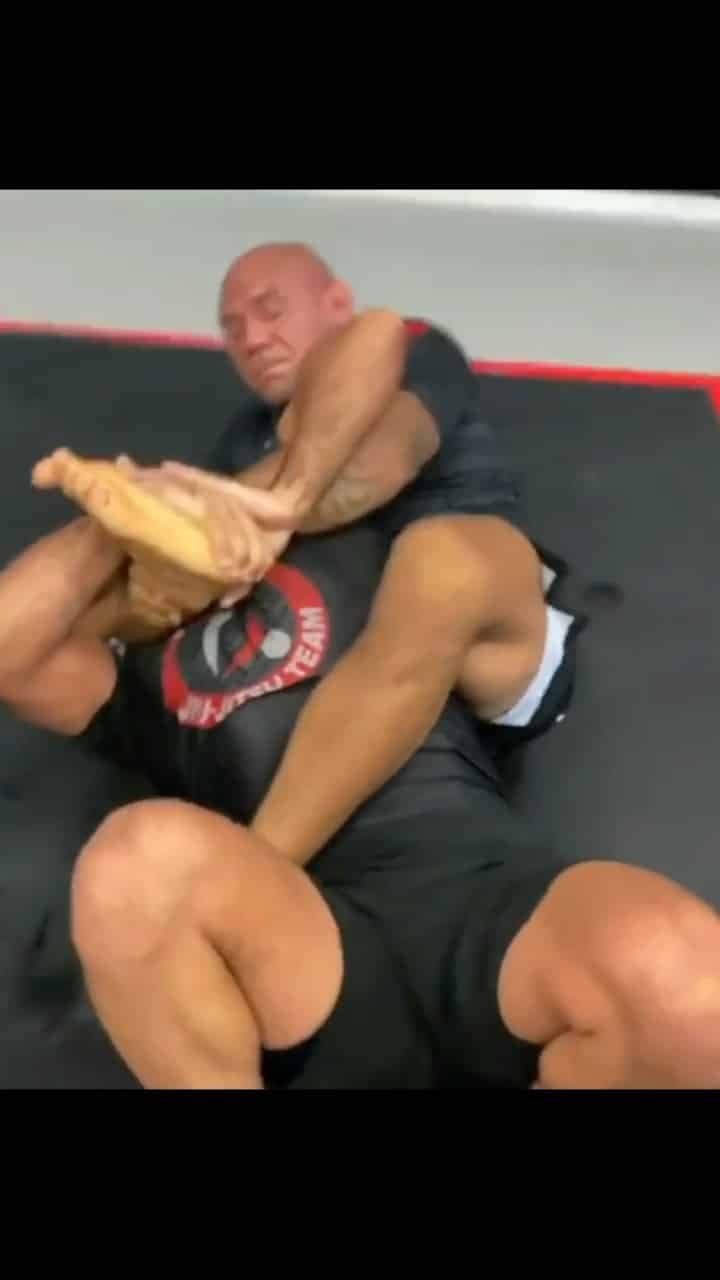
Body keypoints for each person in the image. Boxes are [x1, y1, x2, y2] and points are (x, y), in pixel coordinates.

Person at [1, 507, 719, 1090]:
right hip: (305, 938)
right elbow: (11, 645)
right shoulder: (139, 667)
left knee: (686, 982)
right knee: (133, 865)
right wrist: (120, 514)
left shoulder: (395, 562)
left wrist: (257, 496)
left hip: (483, 904)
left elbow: (392, 429)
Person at [74, 241, 584, 867]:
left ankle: (259, 868)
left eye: (271, 310)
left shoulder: (413, 353)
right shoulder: (242, 440)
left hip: (480, 634)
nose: (252, 338)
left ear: (336, 302)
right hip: (340, 660)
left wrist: (259, 506)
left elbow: (379, 465)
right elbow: (195, 569)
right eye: (232, 328)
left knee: (436, 565)